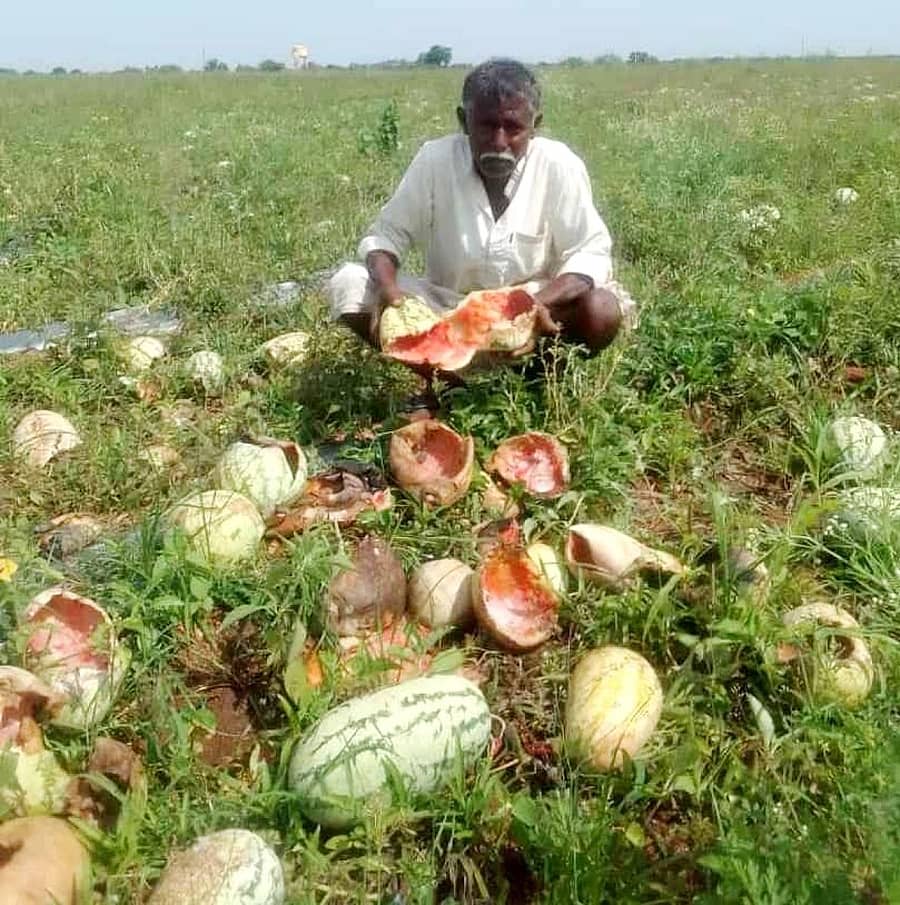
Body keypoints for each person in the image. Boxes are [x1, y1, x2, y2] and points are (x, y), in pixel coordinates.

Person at [327, 58, 634, 406]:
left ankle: (535, 378)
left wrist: (529, 305)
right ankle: (448, 379)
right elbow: (386, 236)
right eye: (486, 126)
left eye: (513, 128)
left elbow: (589, 253)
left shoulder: (559, 165)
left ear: (535, 126)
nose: (499, 141)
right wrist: (389, 290)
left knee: (602, 308)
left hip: (534, 310)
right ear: (463, 121)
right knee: (350, 283)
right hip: (449, 308)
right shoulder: (434, 160)